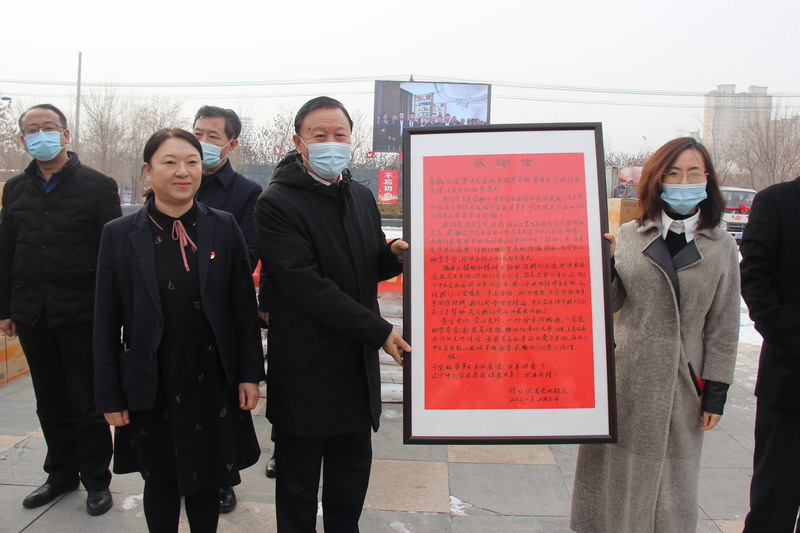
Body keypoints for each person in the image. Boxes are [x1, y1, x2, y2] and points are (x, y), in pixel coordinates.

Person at [93, 129, 264, 533]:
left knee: (208, 477)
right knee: (160, 478)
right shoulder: (119, 234)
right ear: (147, 171)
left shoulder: (223, 226)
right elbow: (105, 321)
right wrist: (110, 395)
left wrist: (249, 374)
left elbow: (243, 308)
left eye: (192, 162)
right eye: (169, 162)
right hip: (152, 374)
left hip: (212, 372)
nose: (183, 171)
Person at [255, 96, 411, 532]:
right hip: (305, 368)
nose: (331, 143)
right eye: (319, 135)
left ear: (352, 140)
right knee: (298, 489)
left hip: (354, 370)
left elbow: (364, 264)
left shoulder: (360, 196)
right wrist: (379, 330)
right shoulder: (276, 202)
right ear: (298, 142)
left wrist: (393, 256)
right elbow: (306, 285)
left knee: (349, 485)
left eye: (339, 134)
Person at [570, 138, 740, 532]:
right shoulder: (631, 234)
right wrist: (604, 265)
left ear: (708, 179)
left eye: (693, 173)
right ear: (658, 180)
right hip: (627, 378)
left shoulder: (721, 246)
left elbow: (724, 323)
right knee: (615, 480)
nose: (683, 182)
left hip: (683, 382)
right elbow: (612, 303)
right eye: (673, 173)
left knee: (672, 486)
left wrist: (716, 390)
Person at [0, 103, 119, 516]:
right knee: (49, 401)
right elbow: (7, 251)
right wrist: (6, 307)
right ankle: (61, 474)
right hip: (33, 312)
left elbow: (112, 256)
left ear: (66, 134)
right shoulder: (15, 189)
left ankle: (97, 480)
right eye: (31, 129)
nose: (40, 134)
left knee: (87, 403)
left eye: (48, 127)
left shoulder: (98, 186)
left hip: (83, 314)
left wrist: (113, 314)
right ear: (22, 139)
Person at [192, 105, 264, 512]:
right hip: (172, 315)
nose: (202, 142)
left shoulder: (246, 193)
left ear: (231, 144)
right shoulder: (174, 180)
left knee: (219, 404)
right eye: (197, 133)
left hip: (219, 316)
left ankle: (222, 478)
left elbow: (247, 254)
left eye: (212, 136)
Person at [740, 176, 800, 532]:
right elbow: (754, 278)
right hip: (790, 380)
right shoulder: (777, 201)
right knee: (774, 503)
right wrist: (786, 332)